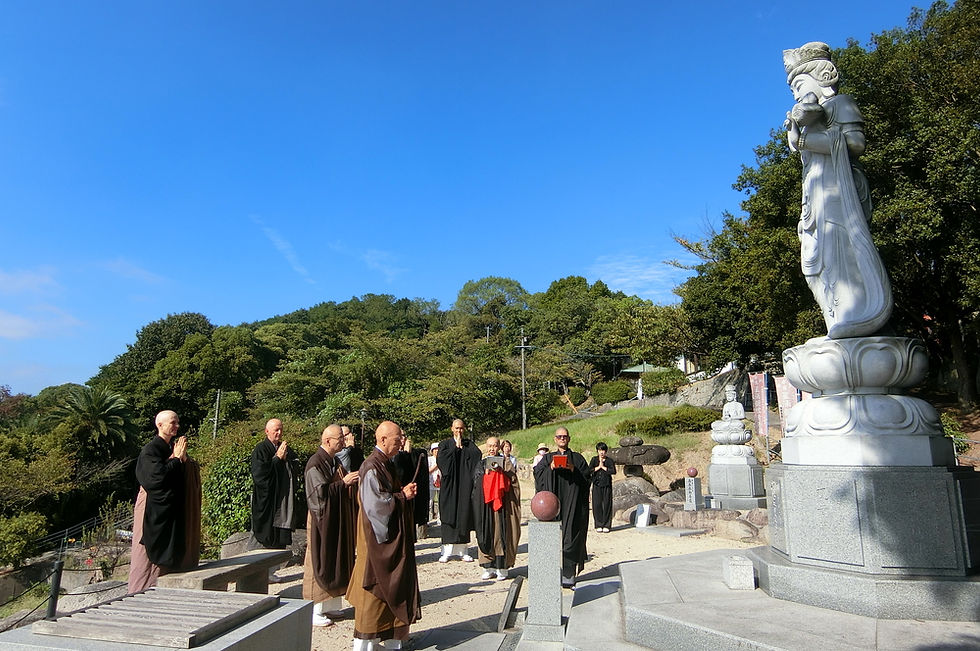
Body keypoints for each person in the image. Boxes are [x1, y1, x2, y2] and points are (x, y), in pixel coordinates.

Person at [782, 41, 891, 340]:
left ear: (821, 80)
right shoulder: (809, 121)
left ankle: (859, 314)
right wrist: (797, 136)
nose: (797, 95)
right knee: (814, 259)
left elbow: (855, 144)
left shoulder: (840, 103)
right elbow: (807, 158)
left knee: (841, 249)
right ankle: (835, 321)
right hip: (815, 200)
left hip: (838, 194)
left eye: (800, 86)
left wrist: (805, 140)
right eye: (793, 91)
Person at [346, 421, 421, 651]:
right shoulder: (371, 466)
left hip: (390, 541)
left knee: (394, 592)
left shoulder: (386, 464)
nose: (401, 443)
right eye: (397, 440)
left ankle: (392, 641)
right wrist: (402, 497)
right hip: (376, 544)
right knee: (373, 596)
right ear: (383, 440)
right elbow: (376, 507)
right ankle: (364, 646)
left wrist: (402, 494)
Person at [128, 410, 201, 593]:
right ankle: (142, 591)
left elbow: (179, 470)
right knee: (146, 558)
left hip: (171, 509)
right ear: (159, 425)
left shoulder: (171, 448)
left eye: (177, 422)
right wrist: (176, 460)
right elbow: (156, 479)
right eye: (172, 423)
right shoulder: (150, 450)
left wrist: (184, 461)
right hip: (152, 509)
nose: (176, 426)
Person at [304, 424, 359, 627]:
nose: (343, 442)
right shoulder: (315, 463)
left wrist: (348, 482)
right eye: (339, 439)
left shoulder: (334, 461)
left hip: (334, 517)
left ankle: (330, 605)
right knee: (318, 560)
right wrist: (343, 483)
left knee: (335, 559)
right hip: (321, 519)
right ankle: (315, 609)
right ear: (327, 441)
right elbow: (319, 493)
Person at [533, 426, 591, 587]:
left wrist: (573, 469)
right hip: (553, 504)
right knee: (552, 537)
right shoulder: (547, 458)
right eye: (559, 437)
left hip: (573, 505)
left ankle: (568, 573)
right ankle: (551, 574)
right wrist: (551, 468)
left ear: (569, 438)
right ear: (555, 439)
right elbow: (537, 474)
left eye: (565, 436)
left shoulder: (578, 458)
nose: (562, 439)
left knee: (571, 535)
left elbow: (586, 478)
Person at [472, 436, 521, 580]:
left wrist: (501, 474)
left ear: (499, 447)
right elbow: (475, 483)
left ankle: (502, 567)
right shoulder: (481, 464)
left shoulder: (506, 462)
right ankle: (488, 567)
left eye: (495, 446)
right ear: (486, 447)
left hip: (502, 506)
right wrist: (485, 476)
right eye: (490, 446)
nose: (492, 449)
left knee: (501, 534)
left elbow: (514, 483)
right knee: (486, 532)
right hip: (486, 506)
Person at [250, 418, 301, 553]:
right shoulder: (260, 449)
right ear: (267, 432)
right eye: (276, 430)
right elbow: (260, 475)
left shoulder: (286, 449)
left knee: (279, 543)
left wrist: (285, 461)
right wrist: (277, 460)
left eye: (281, 430)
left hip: (282, 500)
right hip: (268, 502)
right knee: (265, 542)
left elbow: (295, 466)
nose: (279, 433)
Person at [436, 419, 481, 562]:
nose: (459, 431)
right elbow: (441, 461)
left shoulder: (469, 445)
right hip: (449, 486)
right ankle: (446, 551)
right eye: (456, 428)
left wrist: (463, 449)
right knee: (449, 514)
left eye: (461, 428)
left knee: (463, 514)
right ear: (451, 429)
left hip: (464, 485)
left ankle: (463, 551)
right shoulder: (445, 445)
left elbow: (477, 456)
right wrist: (455, 449)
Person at [392, 435, 430, 540]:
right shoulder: (392, 455)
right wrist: (403, 454)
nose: (402, 439)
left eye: (404, 437)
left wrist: (409, 454)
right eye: (399, 437)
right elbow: (399, 471)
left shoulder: (413, 453)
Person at [588, 442, 617, 533]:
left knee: (607, 504)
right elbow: (589, 470)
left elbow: (613, 471)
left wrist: (604, 467)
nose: (602, 452)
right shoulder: (594, 459)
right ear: (597, 451)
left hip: (607, 485)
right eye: (600, 450)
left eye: (603, 450)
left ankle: (607, 525)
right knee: (597, 505)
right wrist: (598, 467)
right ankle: (598, 524)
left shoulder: (609, 460)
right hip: (596, 485)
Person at [428, 443, 441, 525]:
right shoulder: (429, 459)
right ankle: (428, 519)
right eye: (435, 449)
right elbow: (428, 471)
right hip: (431, 483)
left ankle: (440, 518)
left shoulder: (443, 458)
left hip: (441, 483)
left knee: (440, 502)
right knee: (430, 502)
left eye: (437, 449)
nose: (436, 451)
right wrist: (436, 466)